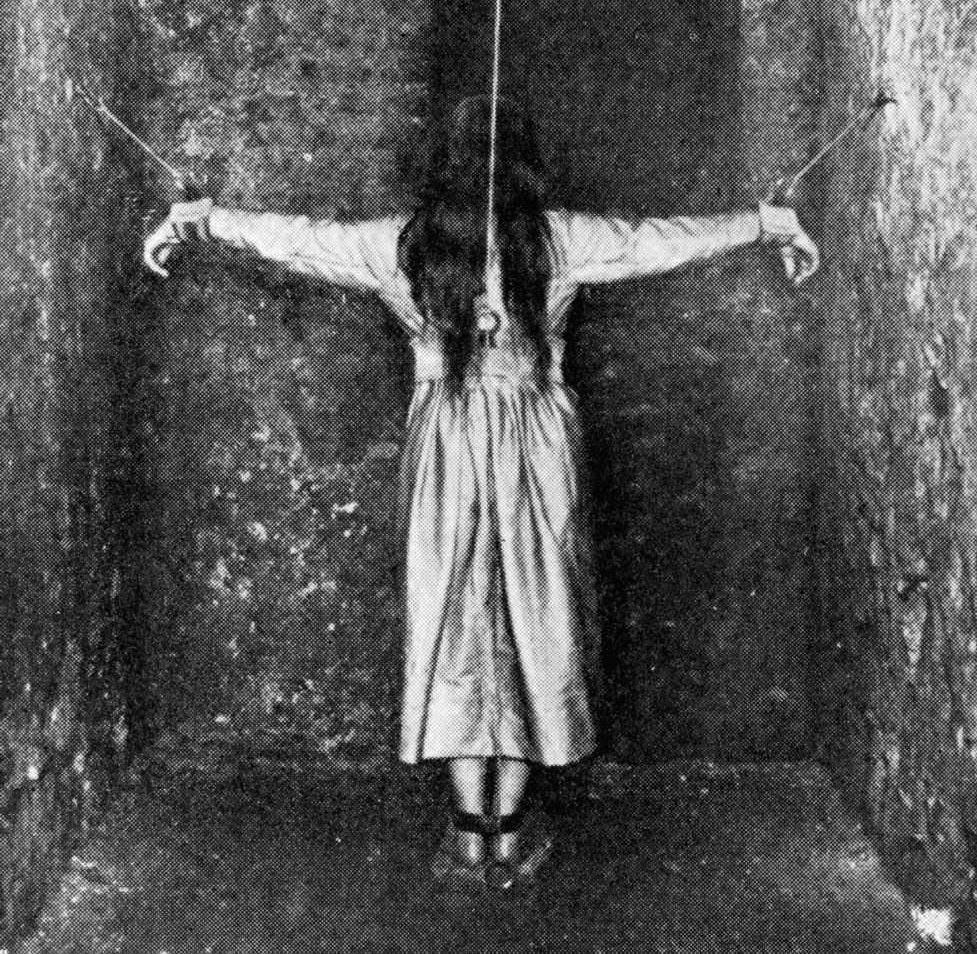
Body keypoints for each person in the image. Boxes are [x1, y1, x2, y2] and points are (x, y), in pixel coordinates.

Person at [143, 95, 819, 891]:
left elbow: (297, 241)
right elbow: (659, 242)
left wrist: (203, 217)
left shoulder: (401, 246)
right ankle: (506, 828)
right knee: (534, 613)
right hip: (537, 441)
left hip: (447, 445)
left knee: (459, 614)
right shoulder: (559, 240)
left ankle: (472, 836)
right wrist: (768, 223)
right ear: (526, 166)